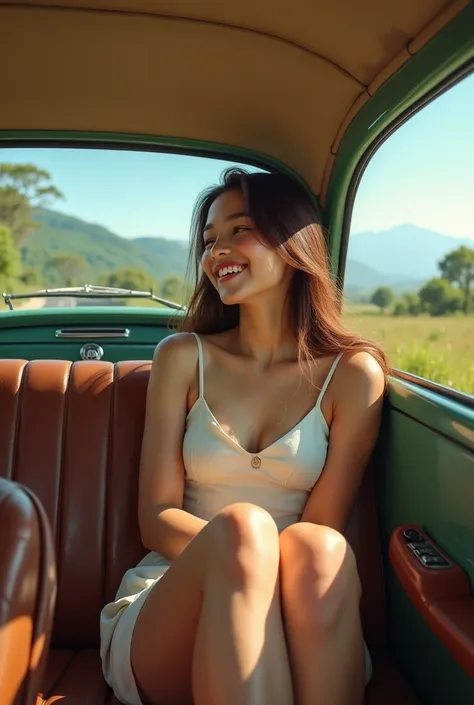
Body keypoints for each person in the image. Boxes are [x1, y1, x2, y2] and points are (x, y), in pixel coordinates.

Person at [100, 168, 389, 705]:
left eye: (240, 230)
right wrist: (246, 556)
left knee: (321, 547)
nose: (218, 251)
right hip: (174, 600)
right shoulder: (183, 357)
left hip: (297, 602)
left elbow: (322, 524)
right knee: (242, 530)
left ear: (293, 239)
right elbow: (156, 518)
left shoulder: (352, 374)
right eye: (210, 239)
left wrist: (265, 573)